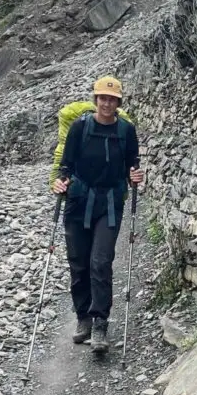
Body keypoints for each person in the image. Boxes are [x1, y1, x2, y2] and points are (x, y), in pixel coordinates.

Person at [53, 76, 144, 354]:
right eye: (102, 98)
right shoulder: (80, 127)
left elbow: (133, 166)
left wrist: (136, 176)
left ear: (118, 103)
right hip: (79, 200)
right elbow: (66, 165)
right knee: (78, 263)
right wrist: (60, 181)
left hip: (110, 203)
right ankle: (83, 318)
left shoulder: (126, 131)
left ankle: (100, 322)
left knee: (101, 262)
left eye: (112, 99)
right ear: (95, 100)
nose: (107, 103)